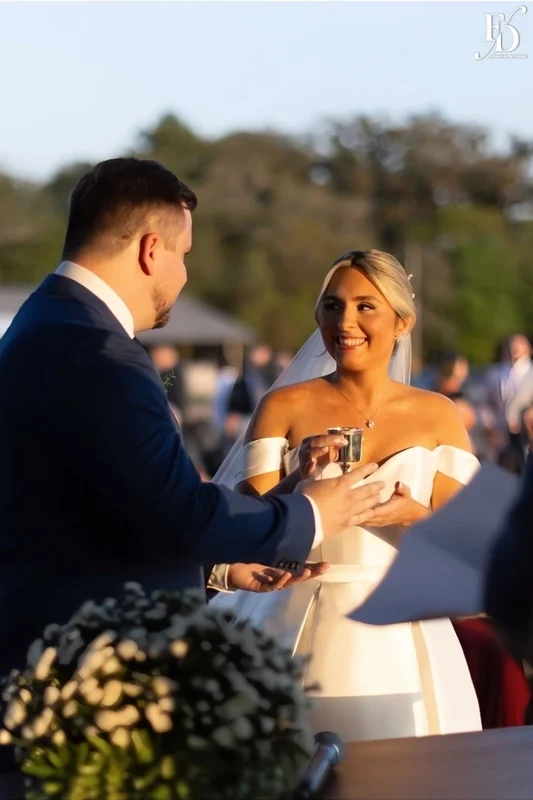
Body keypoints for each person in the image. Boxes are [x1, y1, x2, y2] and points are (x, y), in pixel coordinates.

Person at [0, 159, 384, 684]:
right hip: (86, 668)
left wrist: (216, 566)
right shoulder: (97, 350)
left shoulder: (50, 320)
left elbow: (106, 507)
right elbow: (175, 508)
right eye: (183, 255)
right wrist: (310, 515)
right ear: (150, 250)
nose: (184, 274)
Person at [211, 249, 530, 741]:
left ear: (402, 322)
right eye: (333, 306)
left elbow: (473, 549)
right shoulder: (283, 406)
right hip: (296, 617)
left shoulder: (438, 414)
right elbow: (248, 527)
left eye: (365, 306)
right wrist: (297, 481)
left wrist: (412, 515)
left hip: (404, 634)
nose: (346, 321)